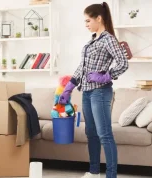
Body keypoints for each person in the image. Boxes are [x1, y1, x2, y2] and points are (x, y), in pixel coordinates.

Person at [59, 2, 128, 178]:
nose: (86, 24)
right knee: (91, 134)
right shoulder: (92, 41)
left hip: (100, 92)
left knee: (104, 134)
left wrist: (107, 76)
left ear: (99, 18)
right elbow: (81, 68)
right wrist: (69, 87)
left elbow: (123, 62)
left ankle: (111, 175)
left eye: (88, 20)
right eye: (84, 21)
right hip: (87, 92)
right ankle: (94, 172)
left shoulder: (109, 39)